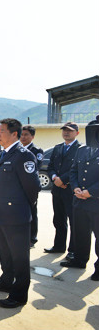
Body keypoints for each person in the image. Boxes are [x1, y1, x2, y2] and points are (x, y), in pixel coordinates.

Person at [0, 118, 40, 309]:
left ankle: (19, 294)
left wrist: (20, 207)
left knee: (19, 257)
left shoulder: (23, 156)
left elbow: (33, 188)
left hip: (16, 217)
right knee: (4, 253)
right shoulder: (2, 154)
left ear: (14, 134)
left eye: (1, 131)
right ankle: (6, 281)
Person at [60, 116, 99, 281]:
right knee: (80, 233)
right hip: (79, 200)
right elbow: (74, 170)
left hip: (96, 201)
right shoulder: (82, 150)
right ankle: (80, 260)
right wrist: (75, 187)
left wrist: (91, 192)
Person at [45, 122, 81, 260]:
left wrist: (64, 180)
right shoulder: (58, 148)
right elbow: (51, 166)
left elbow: (77, 168)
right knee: (59, 220)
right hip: (57, 190)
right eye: (64, 130)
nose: (66, 133)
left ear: (77, 133)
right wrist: (55, 178)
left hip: (71, 190)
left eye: (70, 131)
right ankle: (59, 246)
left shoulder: (80, 149)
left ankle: (73, 250)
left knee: (74, 221)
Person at [20, 125, 44, 247]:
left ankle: (32, 238)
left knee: (32, 213)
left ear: (32, 136)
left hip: (30, 187)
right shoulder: (17, 149)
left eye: (26, 135)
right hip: (18, 188)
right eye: (22, 134)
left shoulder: (37, 151)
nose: (23, 137)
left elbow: (36, 167)